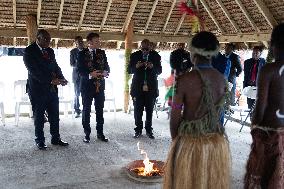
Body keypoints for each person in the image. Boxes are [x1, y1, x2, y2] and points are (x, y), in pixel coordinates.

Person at [163, 31, 230, 189]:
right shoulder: (221, 80)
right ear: (212, 54)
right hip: (216, 143)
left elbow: (175, 117)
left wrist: (177, 145)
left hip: (190, 144)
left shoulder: (185, 80)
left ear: (193, 53)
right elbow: (219, 116)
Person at [244, 23, 284, 189]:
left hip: (270, 135)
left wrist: (255, 128)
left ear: (274, 45)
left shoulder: (269, 70)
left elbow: (260, 106)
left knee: (265, 179)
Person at [23, 29, 69, 150]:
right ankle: (40, 140)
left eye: (50, 40)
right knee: (39, 117)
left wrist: (61, 78)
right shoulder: (29, 51)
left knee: (54, 115)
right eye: (46, 39)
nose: (49, 42)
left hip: (52, 90)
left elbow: (55, 66)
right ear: (38, 38)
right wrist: (51, 80)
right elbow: (34, 71)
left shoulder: (50, 51)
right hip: (37, 90)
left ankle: (56, 138)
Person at [77, 32, 110, 143]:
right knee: (86, 110)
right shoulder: (82, 54)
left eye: (99, 41)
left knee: (99, 110)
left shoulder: (102, 53)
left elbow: (107, 68)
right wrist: (91, 75)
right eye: (97, 41)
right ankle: (87, 134)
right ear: (89, 42)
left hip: (100, 86)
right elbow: (80, 70)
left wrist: (105, 72)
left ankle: (100, 133)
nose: (99, 43)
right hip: (86, 86)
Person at [128, 39, 162, 139]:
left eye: (147, 49)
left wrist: (152, 67)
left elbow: (159, 71)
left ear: (150, 47)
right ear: (140, 47)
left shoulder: (156, 56)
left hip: (151, 87)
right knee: (137, 110)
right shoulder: (134, 55)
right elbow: (129, 70)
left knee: (149, 110)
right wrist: (136, 66)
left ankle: (148, 130)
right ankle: (138, 129)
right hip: (137, 87)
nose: (145, 51)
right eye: (143, 49)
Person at [70, 36, 84, 118]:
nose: (80, 43)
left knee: (86, 94)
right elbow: (71, 64)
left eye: (81, 41)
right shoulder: (73, 52)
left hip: (86, 76)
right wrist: (80, 65)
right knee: (76, 94)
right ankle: (77, 111)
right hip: (76, 77)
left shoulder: (87, 51)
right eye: (78, 42)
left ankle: (86, 110)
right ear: (76, 43)